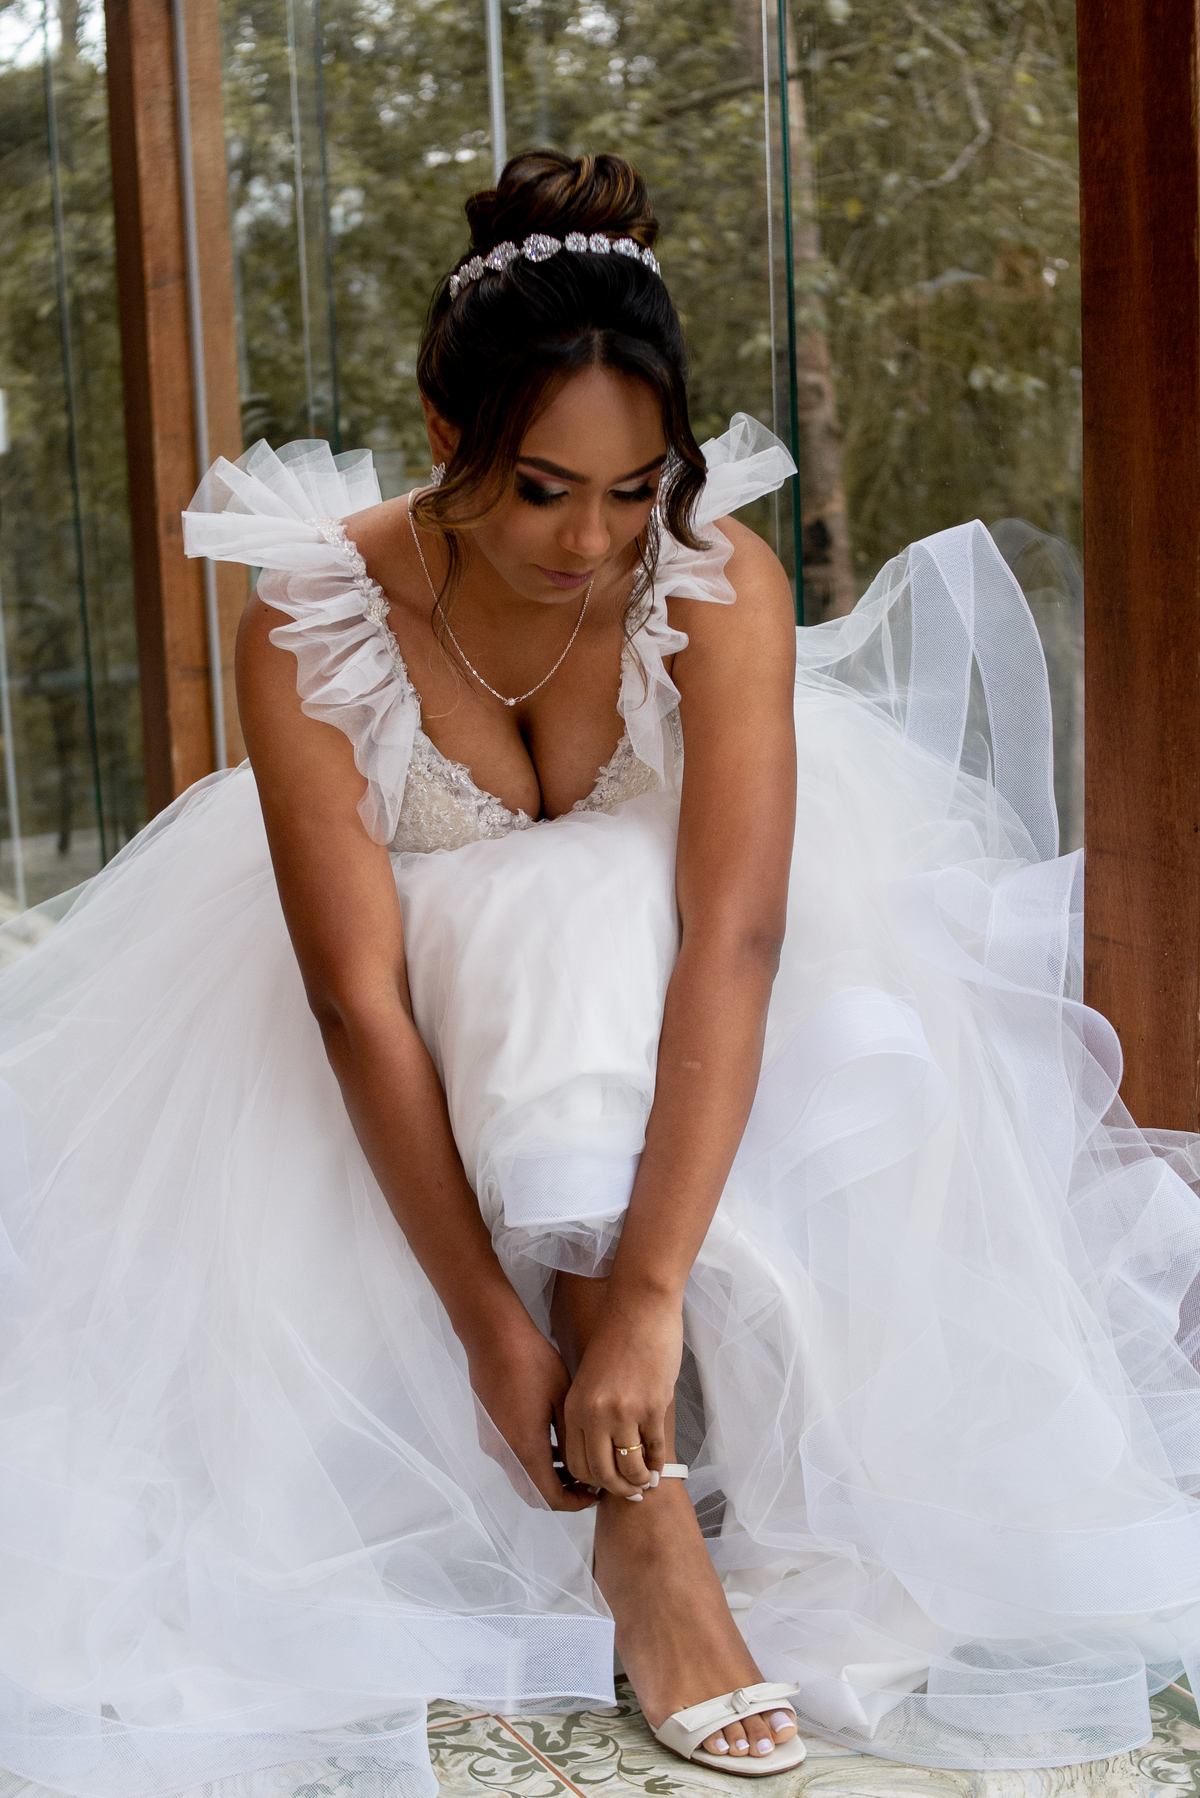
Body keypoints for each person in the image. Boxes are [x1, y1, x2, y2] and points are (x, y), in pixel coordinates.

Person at [1, 148, 1200, 1798]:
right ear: (445, 437)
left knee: (603, 902)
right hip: (433, 1044)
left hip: (707, 1021)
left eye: (636, 489)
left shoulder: (713, 585)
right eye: (541, 488)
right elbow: (356, 998)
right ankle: (649, 1519)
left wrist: (641, 1294)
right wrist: (492, 1332)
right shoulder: (314, 615)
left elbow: (738, 937)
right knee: (526, 909)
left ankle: (653, 1491)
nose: (592, 540)